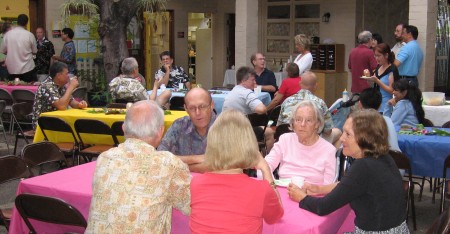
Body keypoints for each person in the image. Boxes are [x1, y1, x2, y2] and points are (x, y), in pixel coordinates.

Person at [287, 109, 409, 233]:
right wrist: (319, 189)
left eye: (347, 134)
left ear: (365, 138)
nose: (342, 138)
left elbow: (322, 207)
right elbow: (350, 185)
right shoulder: (383, 157)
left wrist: (302, 198)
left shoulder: (363, 166)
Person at [86, 100, 191, 233]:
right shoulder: (168, 164)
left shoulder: (104, 158)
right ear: (161, 131)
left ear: (123, 128)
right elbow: (191, 206)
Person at [190, 110, 283, 233]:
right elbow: (276, 216)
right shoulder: (260, 190)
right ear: (248, 145)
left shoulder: (196, 183)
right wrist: (265, 169)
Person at [265, 100, 336, 184]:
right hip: (283, 190)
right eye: (298, 120)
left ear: (317, 124)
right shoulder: (285, 140)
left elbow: (328, 185)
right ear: (293, 122)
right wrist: (272, 183)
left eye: (308, 120)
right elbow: (266, 165)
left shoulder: (328, 150)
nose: (302, 124)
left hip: (312, 194)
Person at [277, 71, 341, 148]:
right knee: (339, 133)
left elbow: (279, 126)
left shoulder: (287, 101)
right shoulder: (320, 103)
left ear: (300, 84)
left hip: (289, 141)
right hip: (312, 141)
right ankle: (329, 157)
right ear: (315, 86)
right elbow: (328, 131)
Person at [158, 88, 216, 173]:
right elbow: (160, 157)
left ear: (212, 105)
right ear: (186, 109)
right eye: (192, 108)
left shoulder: (225, 127)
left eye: (202, 106)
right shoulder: (179, 126)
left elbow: (229, 165)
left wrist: (183, 165)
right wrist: (196, 158)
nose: (198, 112)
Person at [222, 66, 275, 151]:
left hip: (226, 130)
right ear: (243, 81)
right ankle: (264, 160)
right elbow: (261, 109)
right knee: (270, 132)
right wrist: (265, 108)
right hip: (241, 132)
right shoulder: (247, 93)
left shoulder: (233, 91)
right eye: (252, 80)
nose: (255, 82)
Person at [32, 62, 87, 127]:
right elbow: (61, 106)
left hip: (57, 120)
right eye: (66, 74)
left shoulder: (61, 86)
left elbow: (71, 101)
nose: (68, 76)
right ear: (58, 76)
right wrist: (71, 87)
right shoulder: (47, 86)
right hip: (43, 124)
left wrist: (79, 104)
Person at [1, 14, 37, 82]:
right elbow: (35, 51)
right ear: (26, 23)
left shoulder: (7, 35)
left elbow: (3, 51)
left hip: (12, 69)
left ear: (17, 22)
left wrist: (12, 51)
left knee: (13, 91)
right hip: (28, 68)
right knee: (29, 90)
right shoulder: (30, 35)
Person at [367, 43, 400, 113]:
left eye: (379, 56)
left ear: (386, 55)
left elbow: (392, 90)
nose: (376, 58)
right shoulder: (378, 67)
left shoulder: (392, 69)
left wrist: (377, 81)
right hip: (376, 103)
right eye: (375, 56)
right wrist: (369, 80)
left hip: (386, 104)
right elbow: (374, 85)